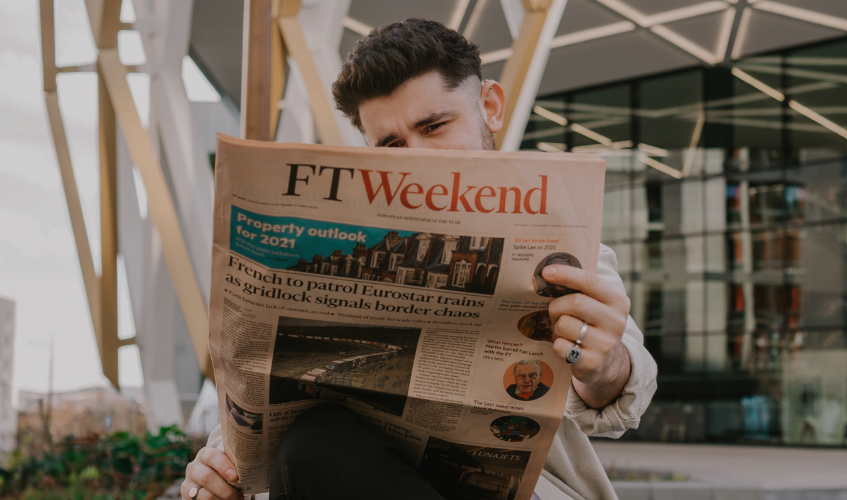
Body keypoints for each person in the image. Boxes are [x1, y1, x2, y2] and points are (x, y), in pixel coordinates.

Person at [182, 18, 657, 500]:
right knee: (315, 444)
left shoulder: (558, 244)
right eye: (392, 146)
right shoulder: (338, 250)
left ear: (490, 107)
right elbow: (258, 407)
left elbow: (620, 389)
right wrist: (218, 474)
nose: (419, 159)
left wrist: (603, 366)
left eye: (434, 127)